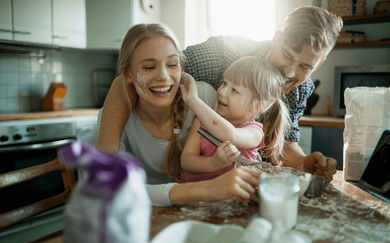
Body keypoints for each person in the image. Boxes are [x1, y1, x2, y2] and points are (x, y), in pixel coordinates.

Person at [98, 6, 343, 182]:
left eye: (304, 67)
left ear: (318, 65)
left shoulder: (301, 88)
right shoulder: (224, 53)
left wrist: (305, 162)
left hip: (238, 185)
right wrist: (107, 156)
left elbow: (285, 142)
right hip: (187, 179)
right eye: (287, 55)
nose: (290, 72)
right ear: (276, 38)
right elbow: (130, 79)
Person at [114, 23, 261, 206]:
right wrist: (206, 189)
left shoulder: (205, 96)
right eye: (149, 67)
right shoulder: (116, 117)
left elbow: (245, 148)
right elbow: (116, 188)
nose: (163, 75)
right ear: (127, 74)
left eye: (172, 64)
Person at [177, 56, 291, 183]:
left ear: (259, 106)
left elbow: (231, 135)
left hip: (229, 197)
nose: (222, 92)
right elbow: (185, 161)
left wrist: (193, 101)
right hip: (191, 191)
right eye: (224, 83)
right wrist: (212, 164)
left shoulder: (254, 132)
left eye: (234, 90)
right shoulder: (201, 121)